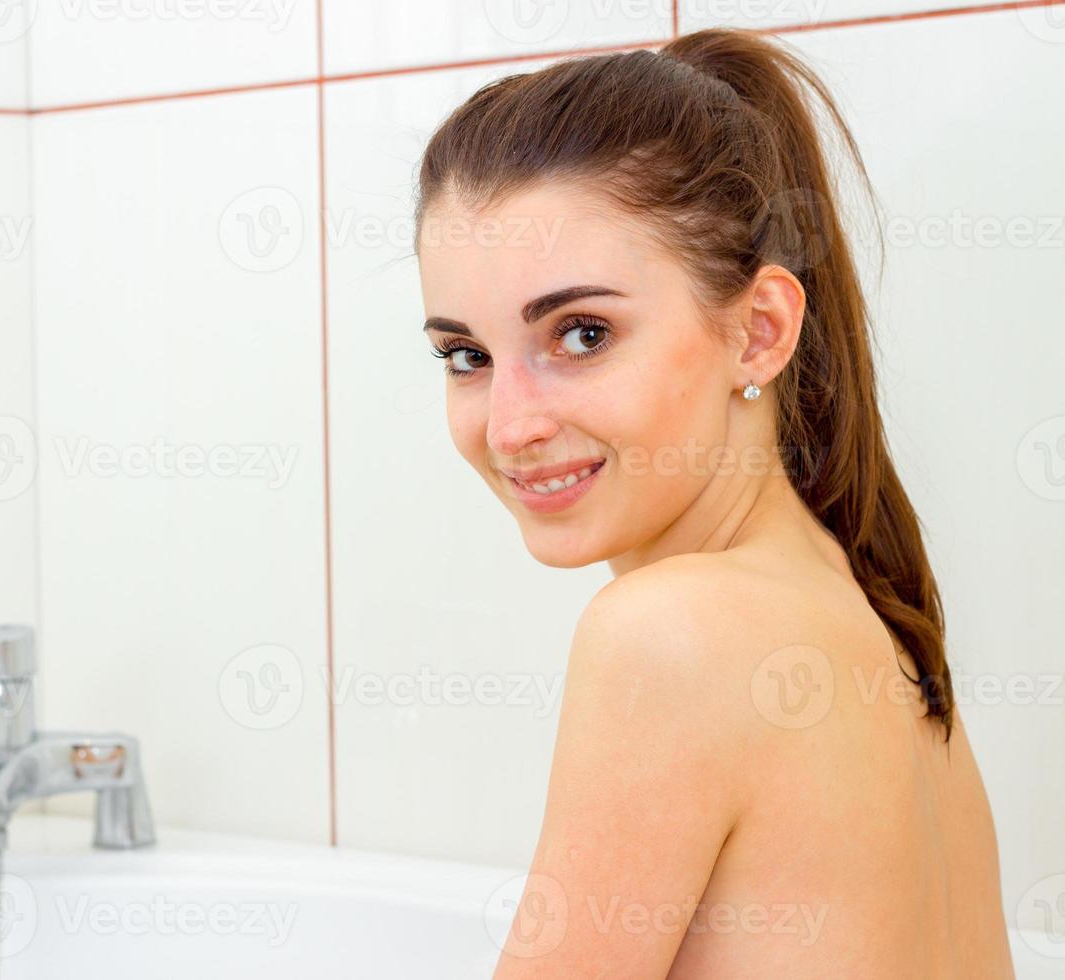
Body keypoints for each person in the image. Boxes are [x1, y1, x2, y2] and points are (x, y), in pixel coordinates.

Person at [413, 27, 1014, 978]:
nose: (510, 425)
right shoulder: (879, 628)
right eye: (466, 357)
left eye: (582, 334)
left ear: (760, 331)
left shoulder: (668, 632)